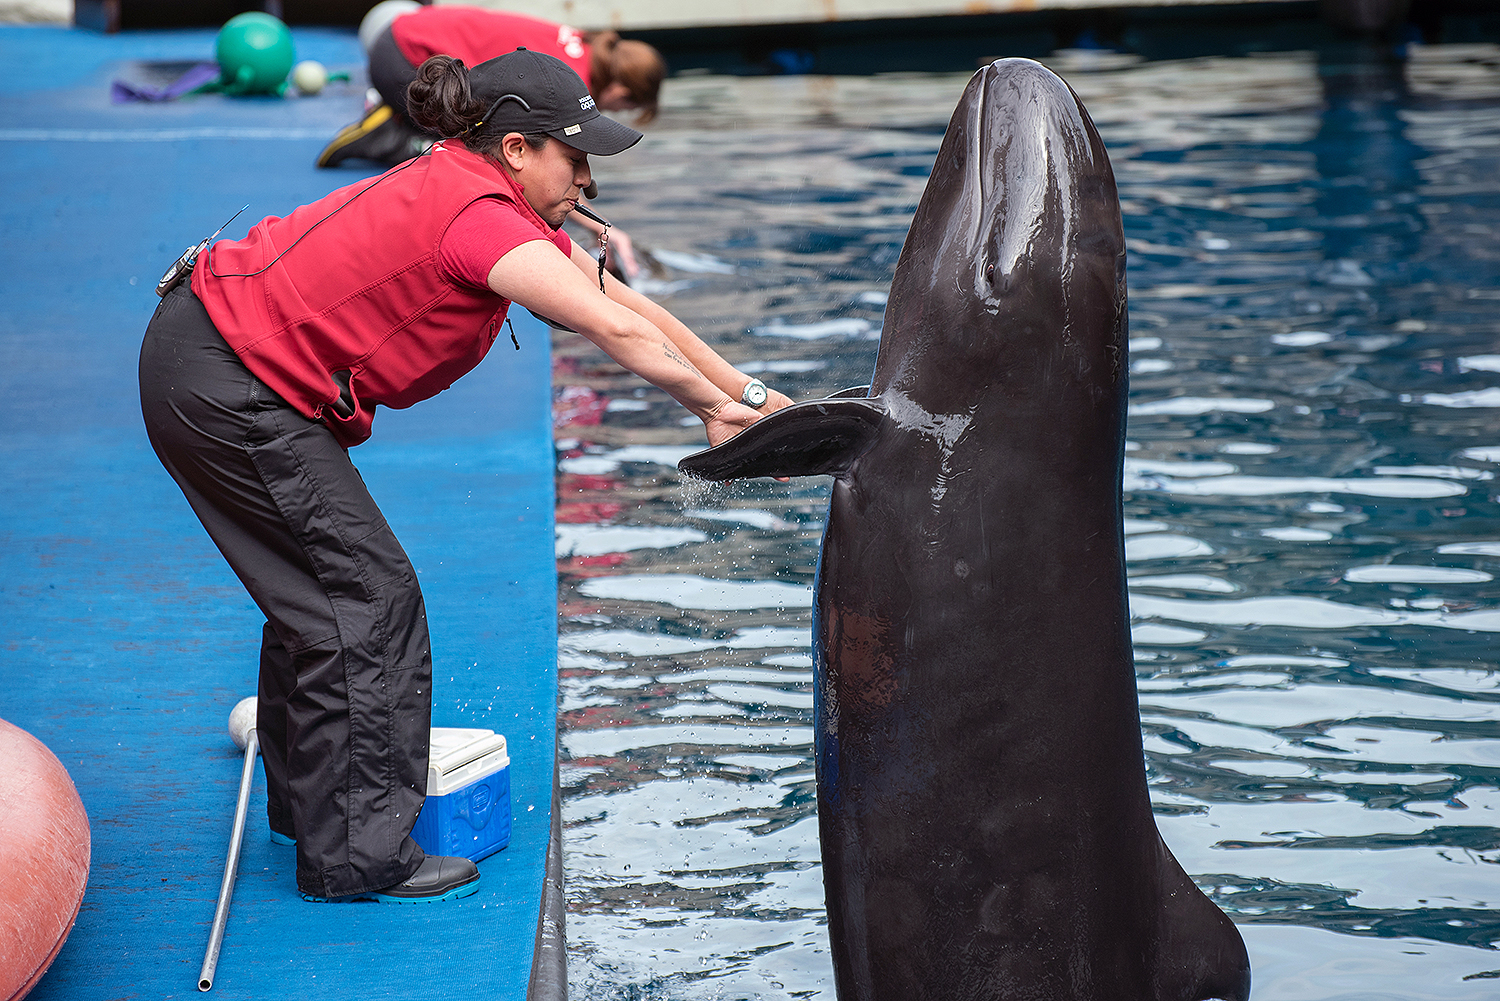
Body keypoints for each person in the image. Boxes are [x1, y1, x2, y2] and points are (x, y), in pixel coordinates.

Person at [139, 49, 790, 904]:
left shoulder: (476, 188)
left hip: (214, 356)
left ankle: (314, 813)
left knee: (326, 595)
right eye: (576, 155)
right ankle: (357, 856)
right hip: (231, 384)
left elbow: (637, 307)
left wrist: (744, 395)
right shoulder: (480, 222)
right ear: (516, 148)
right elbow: (616, 334)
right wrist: (704, 405)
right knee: (367, 600)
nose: (588, 180)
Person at [319, 4, 666, 281]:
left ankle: (398, 118)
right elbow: (542, 173)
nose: (619, 111)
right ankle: (391, 133)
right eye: (628, 107)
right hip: (403, 61)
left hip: (403, 31)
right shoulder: (565, 86)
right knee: (479, 151)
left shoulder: (585, 49)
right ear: (621, 92)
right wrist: (604, 230)